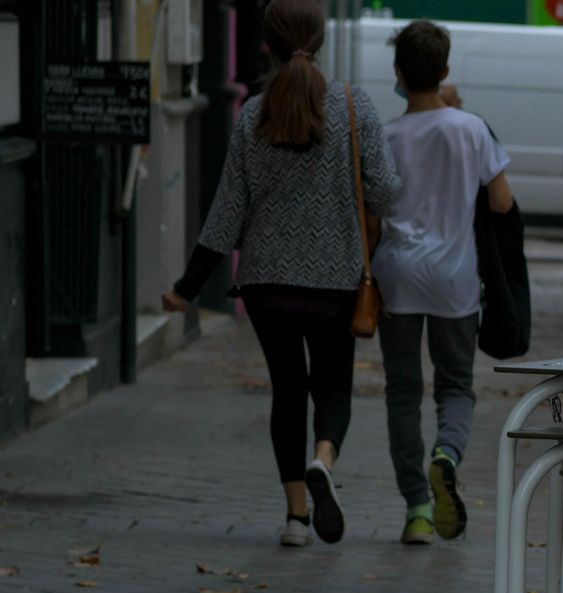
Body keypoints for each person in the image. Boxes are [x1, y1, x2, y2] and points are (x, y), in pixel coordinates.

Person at [163, 0, 399, 548]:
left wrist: (185, 289)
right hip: (337, 282)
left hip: (267, 284)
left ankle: (295, 519)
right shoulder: (353, 105)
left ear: (265, 45)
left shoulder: (253, 114)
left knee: (288, 390)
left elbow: (226, 215)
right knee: (333, 385)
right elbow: (386, 191)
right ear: (319, 42)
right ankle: (323, 460)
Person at [372, 20, 514, 545]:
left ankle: (416, 509)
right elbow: (501, 202)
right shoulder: (471, 129)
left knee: (403, 393)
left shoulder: (385, 135)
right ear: (446, 71)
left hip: (397, 277)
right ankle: (446, 453)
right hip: (455, 279)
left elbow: (374, 206)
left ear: (398, 74)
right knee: (455, 385)